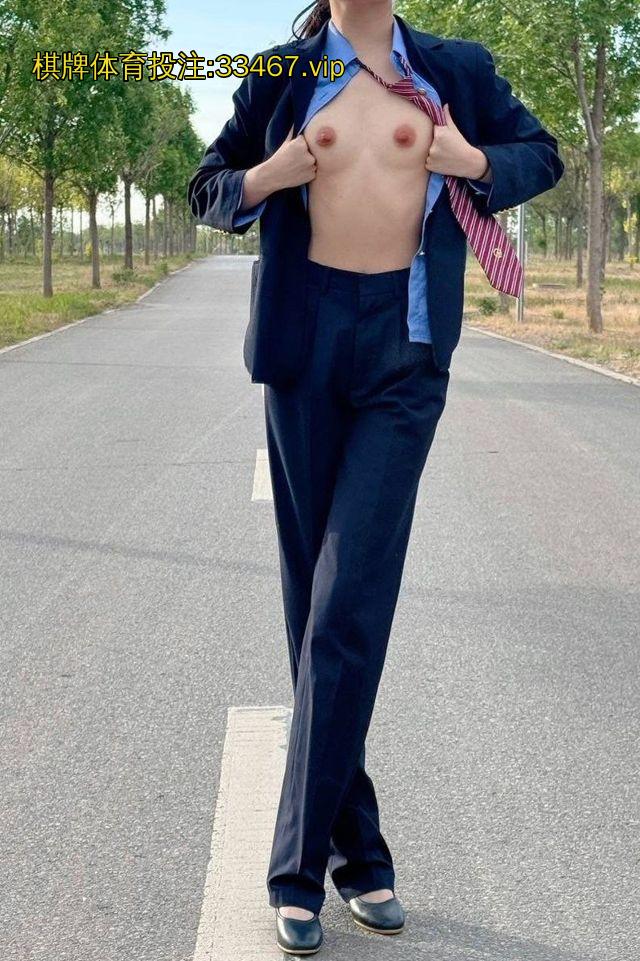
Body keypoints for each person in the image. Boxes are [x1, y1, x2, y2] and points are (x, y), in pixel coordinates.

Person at [188, 0, 564, 954]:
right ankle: (359, 849)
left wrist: (470, 160)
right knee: (312, 610)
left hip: (405, 349)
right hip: (304, 346)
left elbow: (541, 154)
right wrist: (268, 176)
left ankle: (295, 871)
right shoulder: (282, 74)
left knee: (349, 598)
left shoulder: (453, 68)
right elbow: (208, 185)